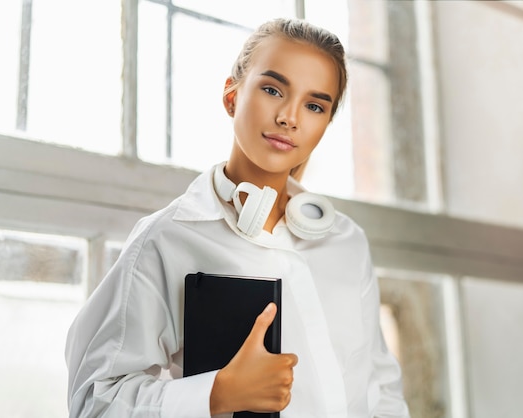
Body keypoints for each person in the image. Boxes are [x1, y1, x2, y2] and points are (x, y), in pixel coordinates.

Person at [65, 17, 411, 418]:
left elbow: (381, 389)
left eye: (315, 105)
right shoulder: (166, 240)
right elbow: (94, 402)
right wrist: (216, 393)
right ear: (231, 96)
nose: (289, 117)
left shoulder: (346, 241)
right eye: (272, 89)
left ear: (324, 126)